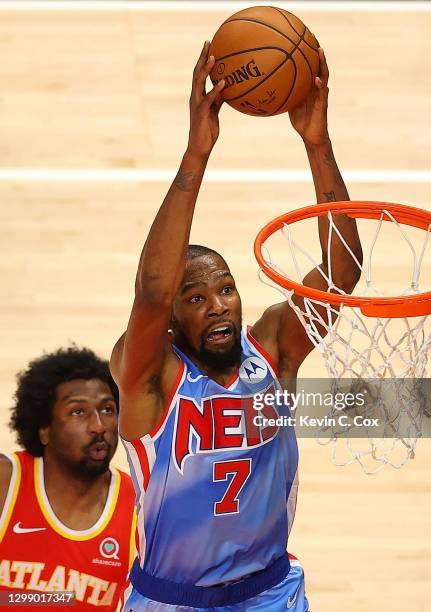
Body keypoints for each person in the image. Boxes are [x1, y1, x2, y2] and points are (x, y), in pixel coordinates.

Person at [110, 41, 362, 611]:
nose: (219, 305)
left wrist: (316, 143)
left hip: (270, 592)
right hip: (172, 600)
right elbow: (150, 293)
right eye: (196, 298)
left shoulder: (273, 348)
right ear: (172, 322)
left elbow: (343, 269)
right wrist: (197, 154)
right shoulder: (150, 378)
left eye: (225, 289)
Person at [0, 347, 136, 610]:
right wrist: (60, 600)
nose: (99, 426)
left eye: (108, 409)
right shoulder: (7, 482)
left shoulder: (140, 507)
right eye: (78, 412)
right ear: (44, 431)